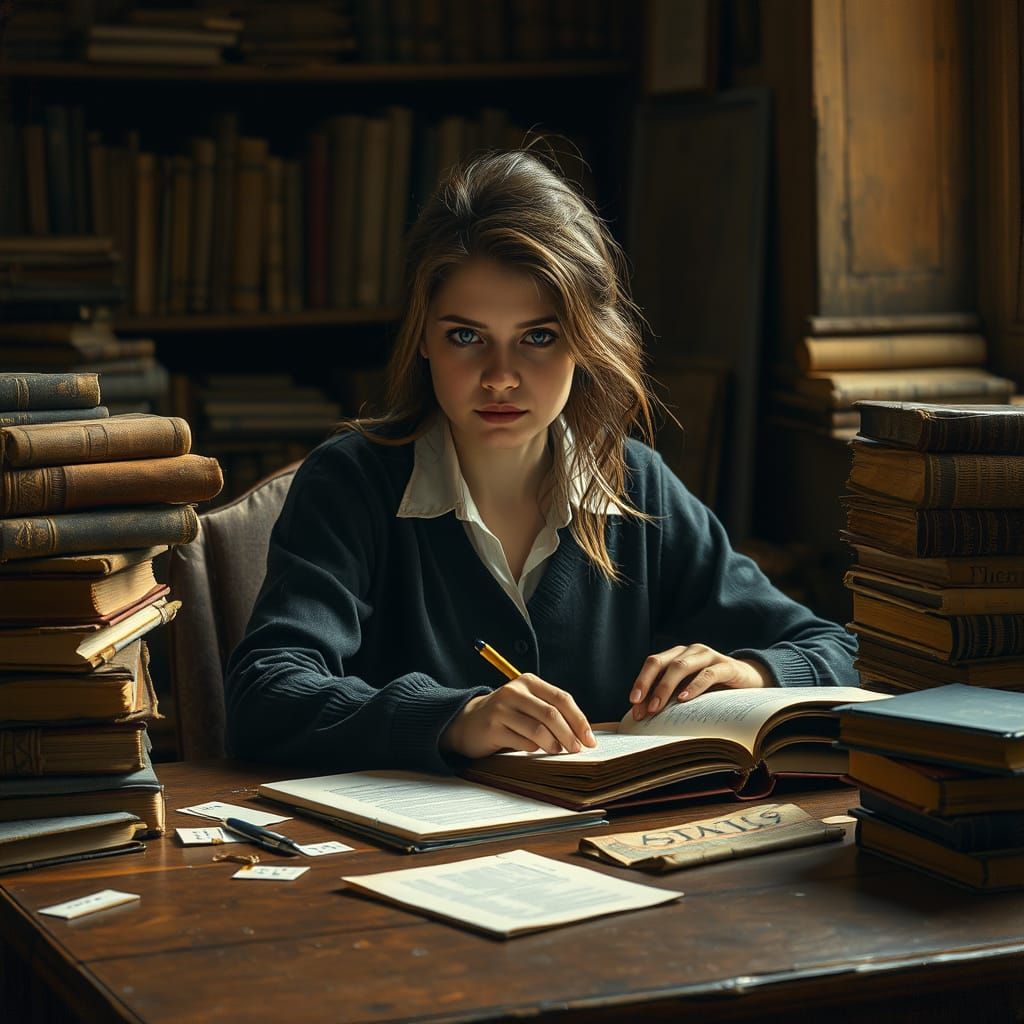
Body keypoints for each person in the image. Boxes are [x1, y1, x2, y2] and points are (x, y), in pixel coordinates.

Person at [224, 148, 857, 773]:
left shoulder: (634, 484)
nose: (500, 377)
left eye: (538, 337)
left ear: (585, 341)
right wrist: (454, 719)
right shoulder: (351, 481)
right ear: (423, 338)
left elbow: (842, 650)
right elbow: (264, 695)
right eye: (465, 336)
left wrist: (751, 671)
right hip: (408, 836)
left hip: (602, 833)